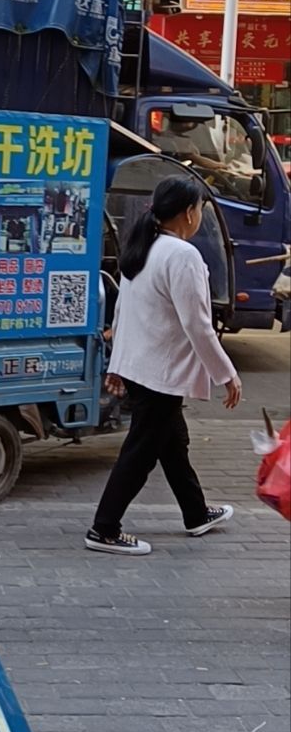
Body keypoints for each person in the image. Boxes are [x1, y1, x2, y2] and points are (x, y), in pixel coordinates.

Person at [86, 174, 241, 557]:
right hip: (159, 374)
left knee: (174, 444)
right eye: (201, 209)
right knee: (141, 452)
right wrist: (226, 373)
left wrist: (118, 364)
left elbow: (124, 311)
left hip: (144, 369)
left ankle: (196, 512)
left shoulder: (145, 246)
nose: (200, 216)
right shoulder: (182, 255)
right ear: (189, 213)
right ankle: (104, 528)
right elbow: (198, 325)